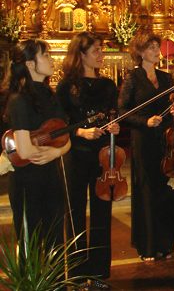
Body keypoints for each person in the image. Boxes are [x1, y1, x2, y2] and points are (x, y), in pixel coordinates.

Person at [56, 32, 120, 287]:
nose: (101, 55)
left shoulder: (108, 85)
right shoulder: (66, 86)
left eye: (101, 50)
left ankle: (99, 271)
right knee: (75, 212)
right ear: (81, 55)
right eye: (96, 51)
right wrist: (80, 131)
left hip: (104, 156)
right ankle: (77, 270)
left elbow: (113, 115)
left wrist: (115, 126)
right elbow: (61, 123)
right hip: (76, 154)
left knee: (103, 211)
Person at [118, 31, 174, 261]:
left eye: (157, 47)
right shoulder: (132, 78)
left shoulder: (165, 78)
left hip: (164, 139)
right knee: (147, 190)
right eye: (152, 48)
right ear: (140, 52)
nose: (157, 51)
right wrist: (145, 121)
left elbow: (170, 104)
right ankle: (148, 245)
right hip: (143, 140)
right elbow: (123, 112)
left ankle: (165, 243)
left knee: (165, 190)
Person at [3, 39, 70, 246]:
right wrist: (53, 151)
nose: (51, 59)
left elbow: (66, 139)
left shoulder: (50, 94)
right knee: (30, 244)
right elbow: (24, 151)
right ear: (30, 64)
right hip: (28, 182)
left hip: (51, 176)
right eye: (46, 55)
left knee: (56, 240)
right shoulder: (19, 99)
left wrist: (55, 153)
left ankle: (56, 280)